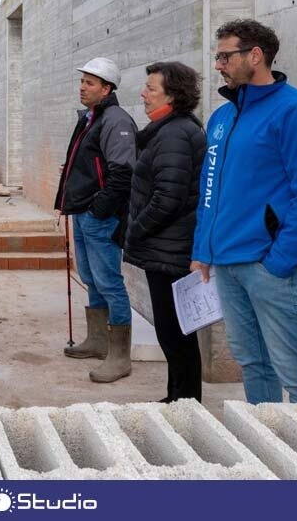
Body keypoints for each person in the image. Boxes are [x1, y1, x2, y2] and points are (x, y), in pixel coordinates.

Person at [190, 19, 297, 404]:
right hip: (227, 264)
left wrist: (281, 260)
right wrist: (203, 251)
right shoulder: (222, 119)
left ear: (255, 56)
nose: (219, 65)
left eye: (226, 56)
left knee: (296, 369)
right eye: (217, 56)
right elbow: (210, 190)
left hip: (271, 267)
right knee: (253, 363)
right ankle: (269, 442)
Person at [123, 62, 207, 402]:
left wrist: (135, 231)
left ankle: (185, 403)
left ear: (173, 95)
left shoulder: (175, 134)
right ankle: (178, 399)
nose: (143, 93)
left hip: (170, 250)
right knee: (174, 333)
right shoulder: (170, 130)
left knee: (176, 334)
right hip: (167, 247)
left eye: (151, 88)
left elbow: (167, 198)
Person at [55, 57, 136, 383]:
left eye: (90, 83)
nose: (82, 87)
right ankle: (99, 341)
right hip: (84, 213)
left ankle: (119, 356)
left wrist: (99, 208)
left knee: (109, 281)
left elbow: (123, 173)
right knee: (90, 275)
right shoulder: (90, 118)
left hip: (99, 217)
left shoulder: (116, 121)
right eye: (82, 81)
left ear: (107, 88)